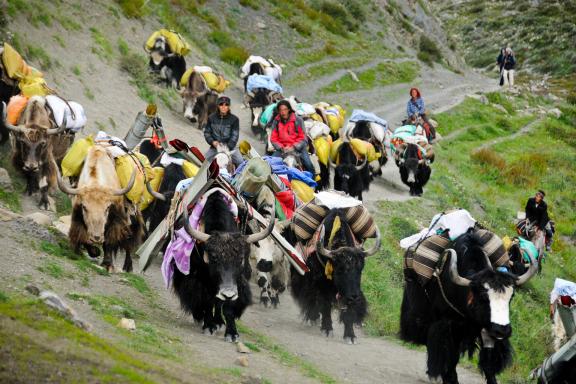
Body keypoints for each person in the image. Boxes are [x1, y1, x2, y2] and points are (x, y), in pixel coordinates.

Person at [269, 100, 315, 175]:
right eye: (281, 110)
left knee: (308, 164)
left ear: (289, 109)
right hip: (282, 149)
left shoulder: (298, 120)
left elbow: (303, 137)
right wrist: (281, 147)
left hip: (298, 148)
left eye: (285, 110)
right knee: (270, 164)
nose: (283, 112)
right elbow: (273, 138)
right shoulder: (276, 121)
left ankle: (312, 181)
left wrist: (294, 147)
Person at [203, 95, 244, 167]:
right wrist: (212, 142)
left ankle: (235, 177)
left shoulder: (234, 119)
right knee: (203, 161)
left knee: (240, 162)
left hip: (230, 148)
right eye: (221, 104)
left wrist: (227, 147)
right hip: (215, 147)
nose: (223, 107)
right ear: (218, 106)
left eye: (226, 105)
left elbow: (234, 136)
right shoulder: (211, 118)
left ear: (229, 107)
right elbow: (207, 132)